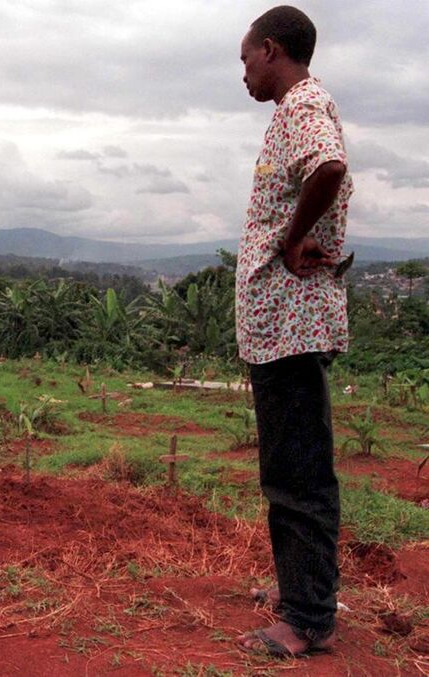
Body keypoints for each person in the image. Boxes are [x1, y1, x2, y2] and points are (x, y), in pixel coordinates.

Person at [235, 5, 353, 657]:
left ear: (271, 50)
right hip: (281, 325)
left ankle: (307, 618)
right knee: (291, 462)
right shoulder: (295, 110)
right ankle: (301, 589)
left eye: (246, 58)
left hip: (291, 322)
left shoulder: (304, 104)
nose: (244, 72)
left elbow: (328, 168)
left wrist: (292, 239)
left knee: (298, 469)